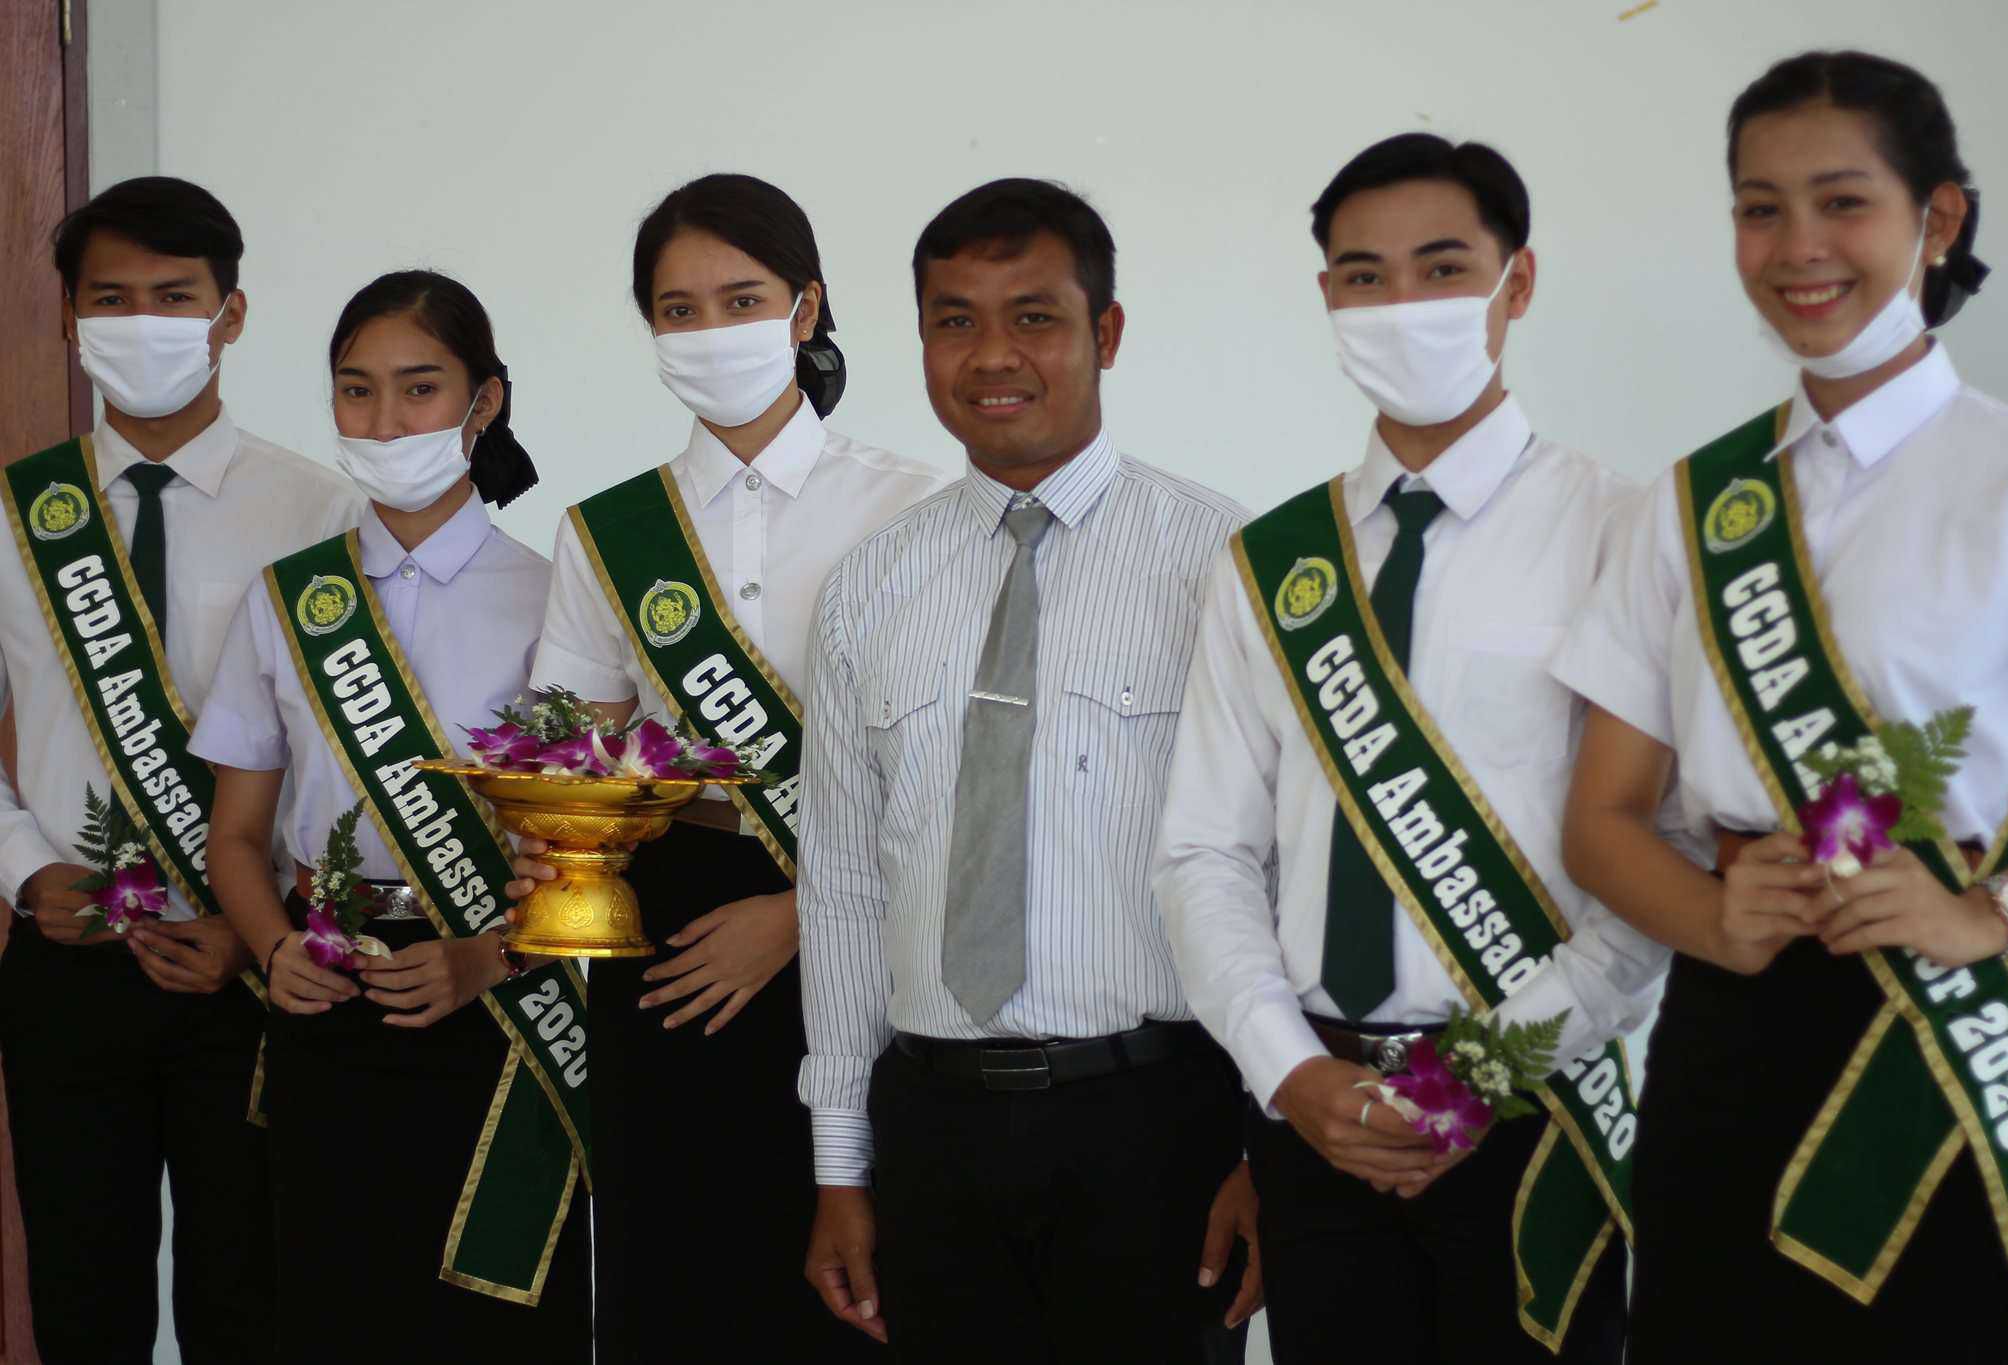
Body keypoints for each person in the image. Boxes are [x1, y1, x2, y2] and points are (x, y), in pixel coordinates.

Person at [1552, 50, 2008, 1360]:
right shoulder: (1685, 504)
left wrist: (1985, 915)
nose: (1798, 248)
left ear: (1937, 218)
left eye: (1842, 202)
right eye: (1759, 209)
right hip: (1733, 1039)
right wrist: (1712, 923)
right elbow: (1601, 819)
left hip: (1950, 1042)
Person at [1152, 133, 1662, 1365]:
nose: (1400, 306)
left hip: (1532, 1111)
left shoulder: (1625, 534)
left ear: (1515, 282)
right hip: (1316, 1118)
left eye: (1440, 269)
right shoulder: (1271, 563)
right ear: (1325, 296)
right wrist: (1290, 1077)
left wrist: (1473, 1076)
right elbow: (1203, 852)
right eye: (1362, 276)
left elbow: (1656, 869)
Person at [798, 177, 1262, 1364]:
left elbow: (1284, 869)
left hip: (1159, 1123)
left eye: (1034, 317)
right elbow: (841, 889)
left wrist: (1269, 1147)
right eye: (953, 320)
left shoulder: (1226, 563)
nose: (992, 355)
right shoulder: (868, 587)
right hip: (932, 1130)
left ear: (1106, 331)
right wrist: (841, 1168)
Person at [504, 173, 943, 1362]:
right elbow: (575, 757)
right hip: (671, 929)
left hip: (873, 913)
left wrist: (803, 912)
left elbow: (959, 775)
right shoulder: (609, 531)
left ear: (806, 308)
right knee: (680, 1268)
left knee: (857, 1277)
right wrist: (549, 842)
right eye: (677, 309)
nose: (708, 332)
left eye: (740, 300)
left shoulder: (918, 507)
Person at [191, 270, 591, 1361]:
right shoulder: (289, 599)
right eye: (355, 390)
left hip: (500, 1005)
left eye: (420, 388)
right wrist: (275, 950)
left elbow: (586, 847)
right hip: (328, 998)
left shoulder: (557, 597)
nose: (384, 421)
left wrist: (482, 959)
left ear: (483, 401)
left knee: (495, 1324)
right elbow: (236, 834)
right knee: (335, 1308)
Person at [0, 176, 360, 1362]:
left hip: (254, 963)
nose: (143, 323)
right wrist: (25, 873)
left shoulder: (321, 511)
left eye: (174, 297)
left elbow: (346, 755)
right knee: (81, 1294)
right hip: (68, 961)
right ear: (69, 318)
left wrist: (261, 923)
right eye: (112, 299)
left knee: (250, 1297)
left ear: (230, 315)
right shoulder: (18, 516)